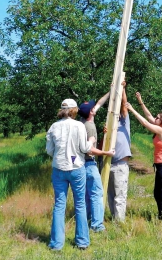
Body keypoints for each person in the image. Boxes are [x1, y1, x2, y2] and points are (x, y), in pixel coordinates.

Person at [45, 99, 96, 251]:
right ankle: (82, 242)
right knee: (80, 204)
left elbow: (49, 150)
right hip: (76, 168)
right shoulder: (79, 126)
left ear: (61, 110)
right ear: (74, 110)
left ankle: (56, 244)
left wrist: (60, 155)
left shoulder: (53, 127)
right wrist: (91, 141)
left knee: (59, 204)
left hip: (59, 169)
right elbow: (85, 148)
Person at [126, 92, 162, 221]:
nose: (155, 118)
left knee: (161, 194)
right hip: (161, 166)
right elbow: (148, 116)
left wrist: (132, 109)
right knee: (158, 193)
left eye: (158, 118)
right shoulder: (160, 127)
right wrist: (140, 100)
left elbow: (146, 123)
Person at [77, 91, 115, 232]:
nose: (95, 107)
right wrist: (106, 153)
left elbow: (98, 103)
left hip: (80, 165)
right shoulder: (90, 127)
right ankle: (97, 225)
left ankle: (87, 220)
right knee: (96, 194)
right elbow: (89, 150)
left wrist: (110, 92)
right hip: (89, 164)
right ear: (91, 112)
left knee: (86, 194)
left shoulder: (81, 123)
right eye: (93, 107)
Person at [107, 81, 132, 222]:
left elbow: (124, 105)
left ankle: (119, 223)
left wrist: (122, 89)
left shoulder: (124, 122)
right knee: (110, 194)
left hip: (120, 165)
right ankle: (113, 219)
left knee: (120, 195)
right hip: (108, 163)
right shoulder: (109, 126)